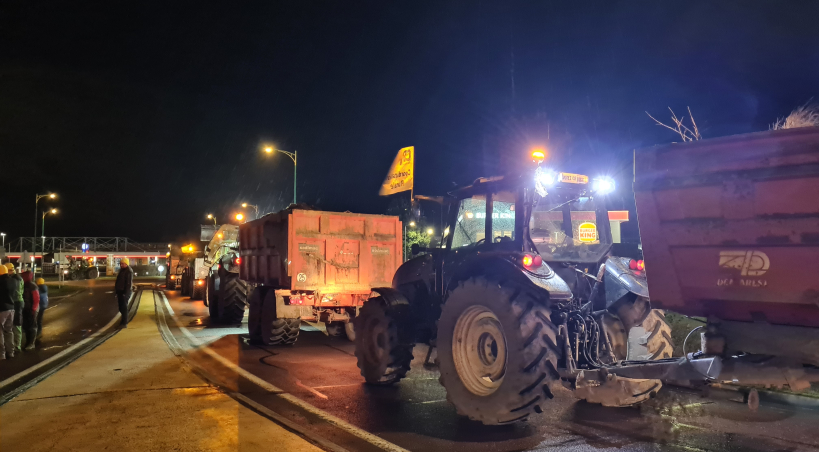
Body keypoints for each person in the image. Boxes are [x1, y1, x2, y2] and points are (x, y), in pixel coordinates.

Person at [6, 263, 24, 353]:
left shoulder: (13, 280)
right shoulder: (19, 278)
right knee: (16, 324)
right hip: (19, 302)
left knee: (16, 324)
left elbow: (13, 293)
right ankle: (16, 344)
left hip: (16, 303)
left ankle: (17, 346)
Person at [21, 271, 40, 350]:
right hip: (25, 308)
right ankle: (28, 342)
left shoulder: (32, 286)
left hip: (32, 309)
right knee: (26, 326)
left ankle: (31, 343)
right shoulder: (23, 285)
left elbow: (36, 299)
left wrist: (34, 309)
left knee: (32, 326)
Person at [0, 265, 16, 359]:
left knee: (0, 332)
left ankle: (2, 354)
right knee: (9, 331)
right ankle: (11, 352)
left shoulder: (1, 282)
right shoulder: (13, 281)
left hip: (2, 309)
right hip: (11, 308)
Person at [115, 258, 134, 327]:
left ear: (126, 264)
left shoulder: (128, 271)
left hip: (124, 292)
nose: (121, 265)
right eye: (120, 264)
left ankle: (124, 322)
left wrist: (125, 293)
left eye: (122, 264)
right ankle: (123, 320)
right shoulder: (122, 270)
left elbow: (128, 283)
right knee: (121, 307)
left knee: (124, 307)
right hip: (120, 291)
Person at [35, 277, 48, 345]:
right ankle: (39, 332)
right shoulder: (45, 288)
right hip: (44, 305)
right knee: (39, 320)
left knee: (37, 320)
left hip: (39, 306)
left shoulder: (38, 289)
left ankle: (37, 333)